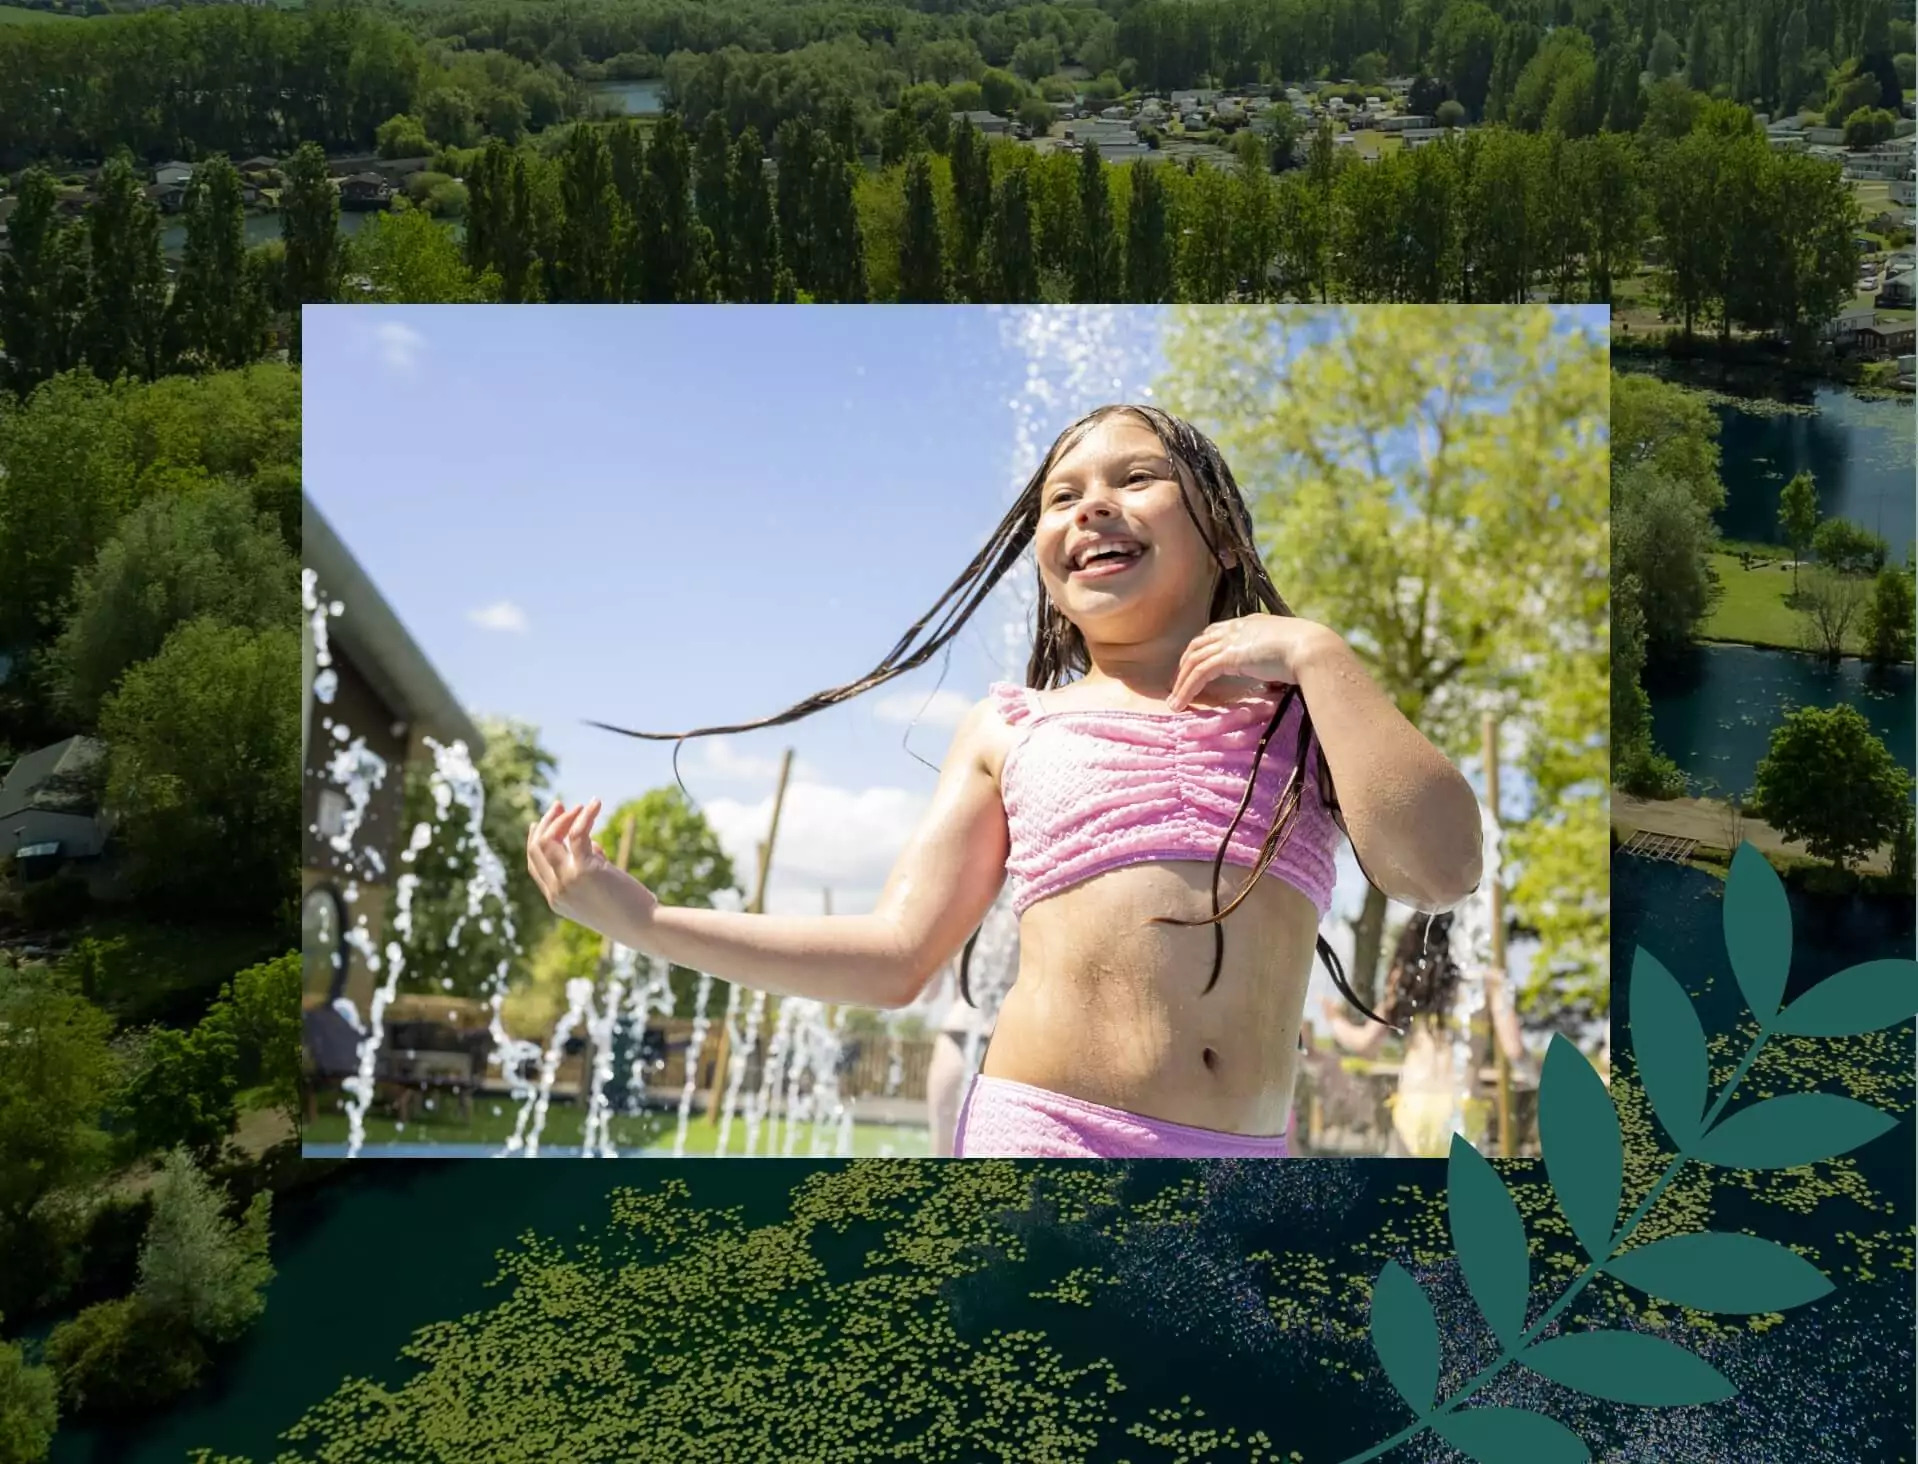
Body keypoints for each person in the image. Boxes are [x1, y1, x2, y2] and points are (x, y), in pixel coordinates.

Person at [526, 405, 1483, 1158]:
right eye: (1061, 498)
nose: (1090, 505)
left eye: (1136, 478)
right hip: (1046, 1136)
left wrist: (1320, 653)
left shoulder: (1306, 712)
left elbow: (1439, 873)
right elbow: (897, 953)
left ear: (1224, 537)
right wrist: (646, 924)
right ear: (1047, 565)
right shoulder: (1015, 725)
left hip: (1247, 1156)